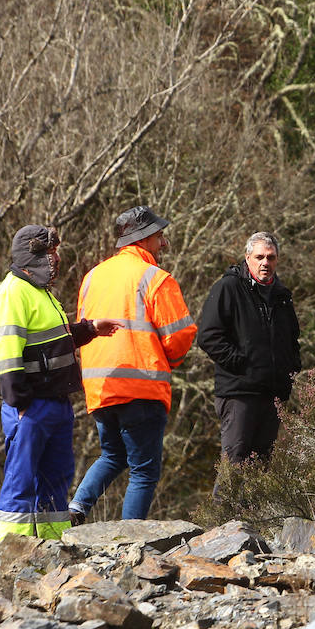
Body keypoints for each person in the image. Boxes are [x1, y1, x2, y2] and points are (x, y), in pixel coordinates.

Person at [0, 226, 120, 545]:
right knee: (21, 485)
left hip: (55, 403)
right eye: (50, 253)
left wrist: (89, 330)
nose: (56, 259)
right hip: (31, 407)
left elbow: (51, 341)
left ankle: (52, 552)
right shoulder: (13, 292)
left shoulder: (40, 291)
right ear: (31, 257)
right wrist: (20, 404)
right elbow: (6, 353)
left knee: (55, 483)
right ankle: (8, 558)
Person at [70, 206, 198, 522]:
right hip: (141, 386)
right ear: (143, 239)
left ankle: (76, 508)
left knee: (112, 455)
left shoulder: (92, 277)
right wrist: (173, 360)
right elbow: (180, 335)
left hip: (100, 388)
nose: (164, 244)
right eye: (160, 236)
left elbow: (81, 329)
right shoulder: (155, 278)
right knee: (144, 470)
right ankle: (129, 542)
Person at [197, 231, 302, 465]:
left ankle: (254, 505)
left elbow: (293, 339)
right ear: (248, 258)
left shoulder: (282, 295)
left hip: (273, 394)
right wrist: (243, 365)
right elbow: (208, 336)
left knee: (260, 473)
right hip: (239, 393)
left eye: (271, 257)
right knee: (234, 469)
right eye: (260, 257)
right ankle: (223, 505)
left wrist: (290, 370)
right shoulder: (229, 287)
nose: (266, 262)